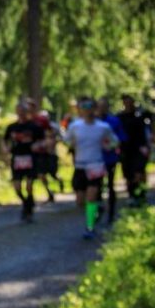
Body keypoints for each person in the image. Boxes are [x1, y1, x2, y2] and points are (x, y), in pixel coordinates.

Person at [65, 96, 119, 239]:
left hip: (96, 165)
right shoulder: (75, 126)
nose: (87, 111)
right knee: (80, 201)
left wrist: (107, 146)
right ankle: (97, 209)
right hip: (80, 166)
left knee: (91, 197)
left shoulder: (103, 127)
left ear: (95, 109)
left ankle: (90, 227)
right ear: (80, 110)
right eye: (84, 108)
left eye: (90, 108)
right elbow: (67, 140)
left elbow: (114, 141)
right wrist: (71, 144)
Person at [3, 101, 46, 223]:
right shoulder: (12, 127)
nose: (21, 114)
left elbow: (43, 140)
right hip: (17, 158)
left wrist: (37, 145)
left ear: (28, 113)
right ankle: (27, 204)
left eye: (24, 112)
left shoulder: (35, 126)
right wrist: (5, 148)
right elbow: (4, 140)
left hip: (30, 158)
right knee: (17, 187)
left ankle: (28, 209)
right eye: (19, 111)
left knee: (29, 185)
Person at [117, 94, 153, 206]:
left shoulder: (141, 115)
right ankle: (132, 195)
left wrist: (148, 145)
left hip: (140, 149)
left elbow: (150, 128)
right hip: (125, 150)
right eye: (126, 102)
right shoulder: (119, 117)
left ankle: (141, 194)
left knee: (139, 172)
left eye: (130, 102)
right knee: (128, 175)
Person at [96, 96, 127, 224]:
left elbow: (121, 138)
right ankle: (99, 209)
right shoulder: (93, 122)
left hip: (110, 158)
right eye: (99, 106)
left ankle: (111, 213)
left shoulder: (114, 121)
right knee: (96, 187)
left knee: (110, 185)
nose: (102, 109)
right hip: (96, 159)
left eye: (104, 106)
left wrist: (114, 145)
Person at [26, 98, 64, 199]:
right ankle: (33, 198)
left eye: (30, 108)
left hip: (43, 152)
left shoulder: (41, 120)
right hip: (30, 153)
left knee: (48, 174)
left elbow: (50, 132)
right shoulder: (25, 121)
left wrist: (47, 144)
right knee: (36, 176)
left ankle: (54, 185)